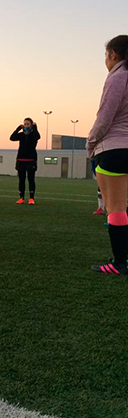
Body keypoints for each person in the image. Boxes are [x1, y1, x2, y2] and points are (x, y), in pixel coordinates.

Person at [87, 35, 128, 275]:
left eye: (106, 55)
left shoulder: (118, 77)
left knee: (116, 209)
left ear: (113, 54)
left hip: (113, 149)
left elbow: (105, 117)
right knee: (122, 208)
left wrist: (90, 144)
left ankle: (119, 263)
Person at [10, 118, 41, 205]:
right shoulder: (21, 135)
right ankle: (21, 198)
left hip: (31, 160)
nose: (26, 126)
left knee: (31, 179)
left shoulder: (33, 134)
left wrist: (35, 127)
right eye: (25, 124)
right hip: (21, 160)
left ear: (31, 125)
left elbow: (37, 137)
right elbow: (12, 138)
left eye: (28, 124)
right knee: (21, 180)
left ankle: (31, 198)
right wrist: (17, 129)